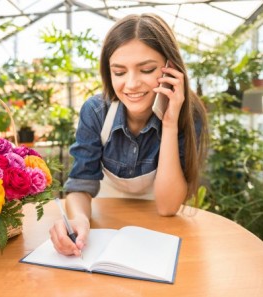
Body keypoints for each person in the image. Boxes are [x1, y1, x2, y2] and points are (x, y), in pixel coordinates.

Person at [49, 13, 208, 256]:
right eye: (119, 72)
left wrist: (169, 122)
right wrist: (80, 219)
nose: (131, 84)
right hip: (108, 222)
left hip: (160, 227)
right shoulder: (96, 112)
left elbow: (167, 207)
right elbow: (80, 184)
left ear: (171, 68)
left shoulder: (188, 114)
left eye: (146, 69)